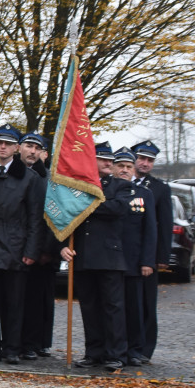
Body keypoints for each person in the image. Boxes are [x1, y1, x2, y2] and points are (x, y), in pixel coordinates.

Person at [60, 141, 132, 371]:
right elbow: (67, 216)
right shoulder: (79, 187)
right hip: (84, 255)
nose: (108, 163)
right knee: (89, 308)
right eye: (103, 159)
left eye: (110, 160)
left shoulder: (119, 186)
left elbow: (117, 209)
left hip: (110, 257)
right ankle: (94, 352)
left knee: (113, 308)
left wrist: (86, 204)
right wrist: (62, 244)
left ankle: (116, 354)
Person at [0, 124, 44, 365]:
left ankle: (12, 348)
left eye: (7, 143)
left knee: (14, 303)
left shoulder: (30, 178)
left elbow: (36, 218)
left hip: (17, 249)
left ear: (17, 147)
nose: (2, 147)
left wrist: (31, 251)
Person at [112, 147, 157, 367]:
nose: (124, 170)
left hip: (133, 261)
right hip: (110, 261)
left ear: (133, 170)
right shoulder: (106, 191)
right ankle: (111, 350)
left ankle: (134, 350)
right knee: (112, 310)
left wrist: (148, 261)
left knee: (134, 308)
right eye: (120, 166)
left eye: (128, 167)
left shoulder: (144, 194)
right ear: (113, 167)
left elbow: (150, 231)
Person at [131, 140, 172, 363]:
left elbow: (165, 224)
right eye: (142, 158)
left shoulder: (160, 188)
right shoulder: (123, 183)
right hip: (127, 253)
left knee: (147, 302)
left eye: (150, 160)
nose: (145, 163)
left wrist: (162, 257)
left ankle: (146, 348)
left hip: (149, 256)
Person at [18, 131, 58, 358]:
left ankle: (36, 342)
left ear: (43, 153)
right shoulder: (13, 173)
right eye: (28, 146)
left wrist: (47, 249)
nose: (32, 151)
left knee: (38, 301)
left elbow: (54, 215)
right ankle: (17, 341)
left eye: (37, 148)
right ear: (20, 148)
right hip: (16, 246)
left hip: (43, 251)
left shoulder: (49, 179)